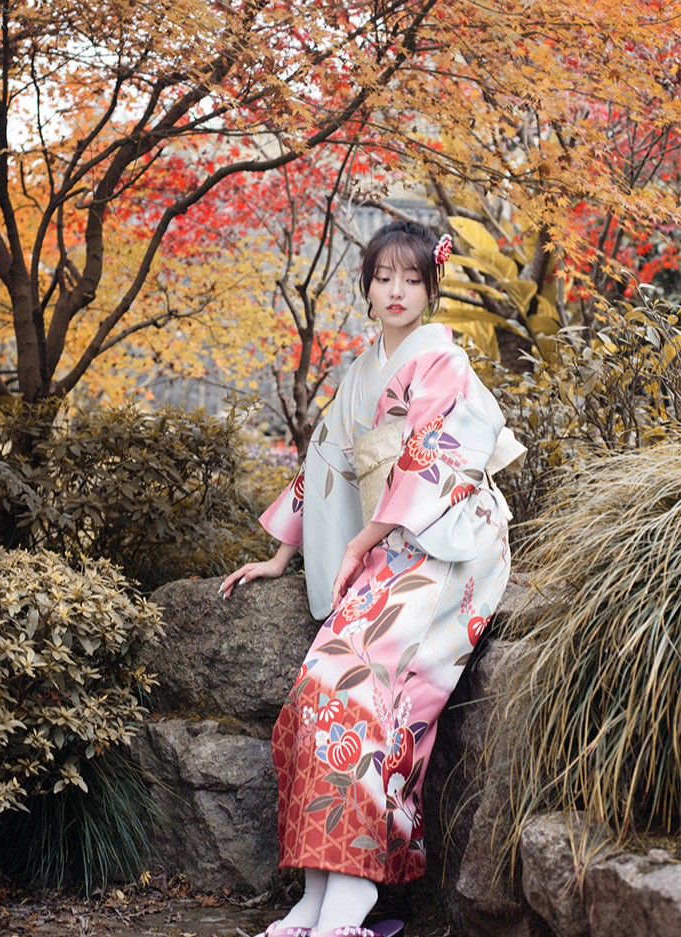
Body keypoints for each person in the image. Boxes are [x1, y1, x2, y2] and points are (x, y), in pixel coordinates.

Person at [220, 221, 523, 937]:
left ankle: (354, 898)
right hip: (392, 543)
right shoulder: (362, 372)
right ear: (366, 285)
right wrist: (280, 556)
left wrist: (363, 536)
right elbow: (324, 462)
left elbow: (427, 459)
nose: (396, 290)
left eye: (411, 279)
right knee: (317, 685)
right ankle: (317, 896)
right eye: (383, 276)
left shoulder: (440, 359)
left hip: (451, 541)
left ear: (430, 288)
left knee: (360, 688)